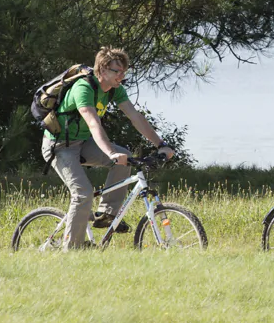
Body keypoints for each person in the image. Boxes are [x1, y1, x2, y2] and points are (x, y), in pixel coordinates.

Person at [42, 46, 175, 250]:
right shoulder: (83, 87)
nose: (121, 76)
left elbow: (135, 117)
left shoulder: (115, 89)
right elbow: (93, 122)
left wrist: (161, 145)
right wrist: (111, 153)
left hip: (83, 143)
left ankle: (107, 213)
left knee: (127, 159)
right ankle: (72, 250)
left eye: (124, 72)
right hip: (60, 146)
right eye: (117, 71)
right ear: (102, 69)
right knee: (83, 193)